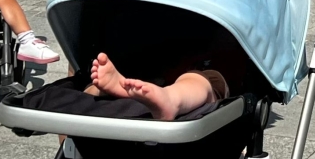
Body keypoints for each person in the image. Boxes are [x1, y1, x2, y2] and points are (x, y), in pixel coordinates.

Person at [88, 52, 227, 121]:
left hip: (200, 78)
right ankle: (115, 88)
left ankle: (171, 99)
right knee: (93, 87)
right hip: (152, 78)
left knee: (198, 80)